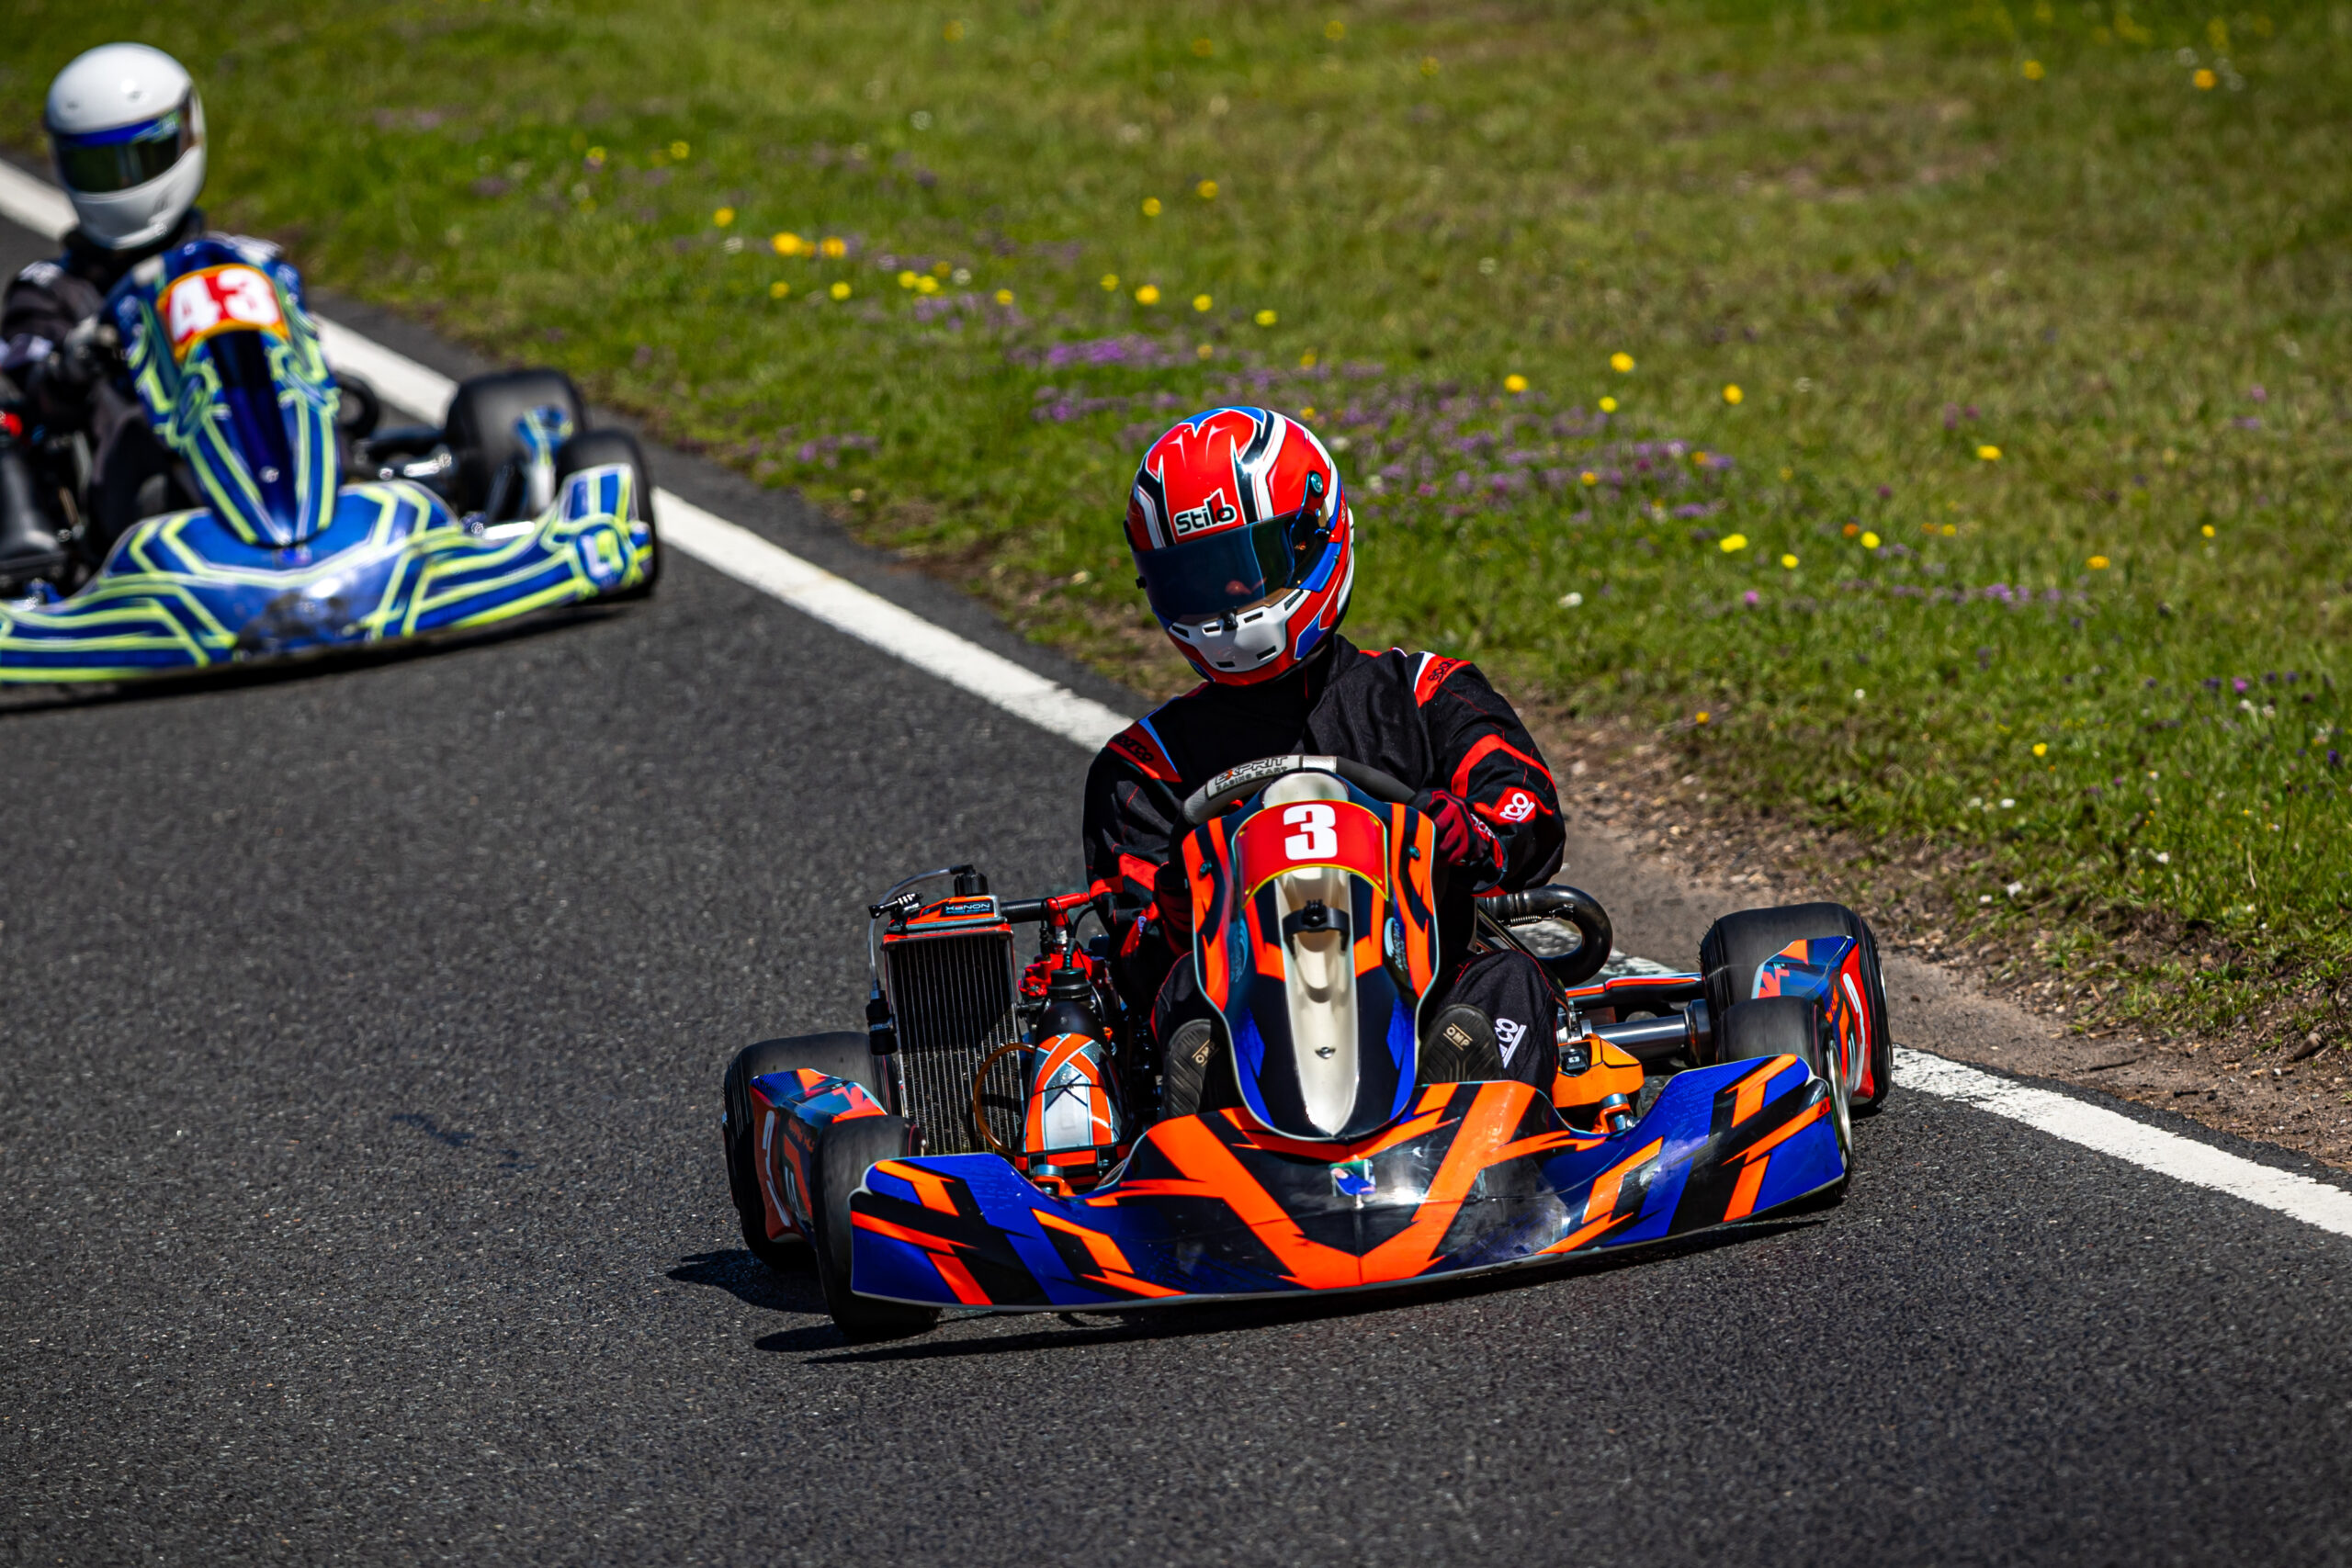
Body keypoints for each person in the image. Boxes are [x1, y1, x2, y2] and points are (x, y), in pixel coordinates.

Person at [1083, 406, 1568, 1113]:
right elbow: (1134, 950)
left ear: (1316, 536)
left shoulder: (1424, 693)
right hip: (1241, 1011)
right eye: (1196, 578)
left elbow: (1528, 814)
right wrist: (1182, 900)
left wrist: (1458, 830)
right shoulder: (1145, 766)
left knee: (1508, 980)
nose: (1227, 599)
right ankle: (1219, 1119)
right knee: (1184, 1003)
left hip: (1421, 985)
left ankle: (1472, 1108)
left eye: (1247, 567)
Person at [0, 42, 218, 579]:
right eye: (100, 165)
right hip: (137, 502)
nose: (122, 181)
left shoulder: (241, 263)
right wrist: (75, 360)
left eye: (141, 157)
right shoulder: (49, 292)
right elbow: (35, 394)